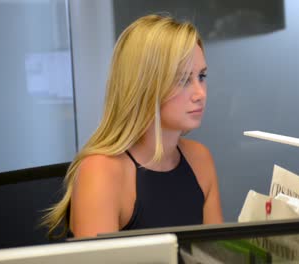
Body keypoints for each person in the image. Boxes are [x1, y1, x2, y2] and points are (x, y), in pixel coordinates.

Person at [43, 14, 223, 238]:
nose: (200, 93)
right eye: (183, 79)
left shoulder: (200, 160)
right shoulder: (101, 171)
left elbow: (216, 256)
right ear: (145, 85)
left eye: (202, 76)